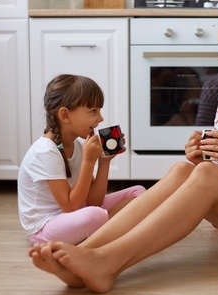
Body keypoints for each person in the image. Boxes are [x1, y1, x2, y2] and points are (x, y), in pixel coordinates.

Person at [28, 1, 218, 292]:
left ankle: (107, 263)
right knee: (183, 170)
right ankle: (83, 252)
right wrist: (203, 158)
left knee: (206, 177)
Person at [18, 74, 145, 250]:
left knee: (138, 193)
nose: (100, 118)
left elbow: (94, 201)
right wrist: (88, 162)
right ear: (65, 115)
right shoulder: (45, 152)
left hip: (74, 215)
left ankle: (107, 231)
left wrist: (104, 163)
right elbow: (71, 207)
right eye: (93, 111)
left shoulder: (77, 146)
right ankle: (113, 231)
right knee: (96, 216)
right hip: (45, 229)